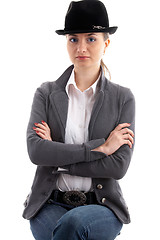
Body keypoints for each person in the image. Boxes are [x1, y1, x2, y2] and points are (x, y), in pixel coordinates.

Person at [22, 0, 135, 239]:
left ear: (106, 43)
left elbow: (118, 166)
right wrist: (100, 148)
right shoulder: (46, 94)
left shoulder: (123, 98)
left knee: (73, 224)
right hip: (49, 203)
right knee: (65, 227)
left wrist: (58, 158)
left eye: (91, 38)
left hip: (101, 205)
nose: (81, 47)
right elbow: (36, 152)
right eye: (73, 39)